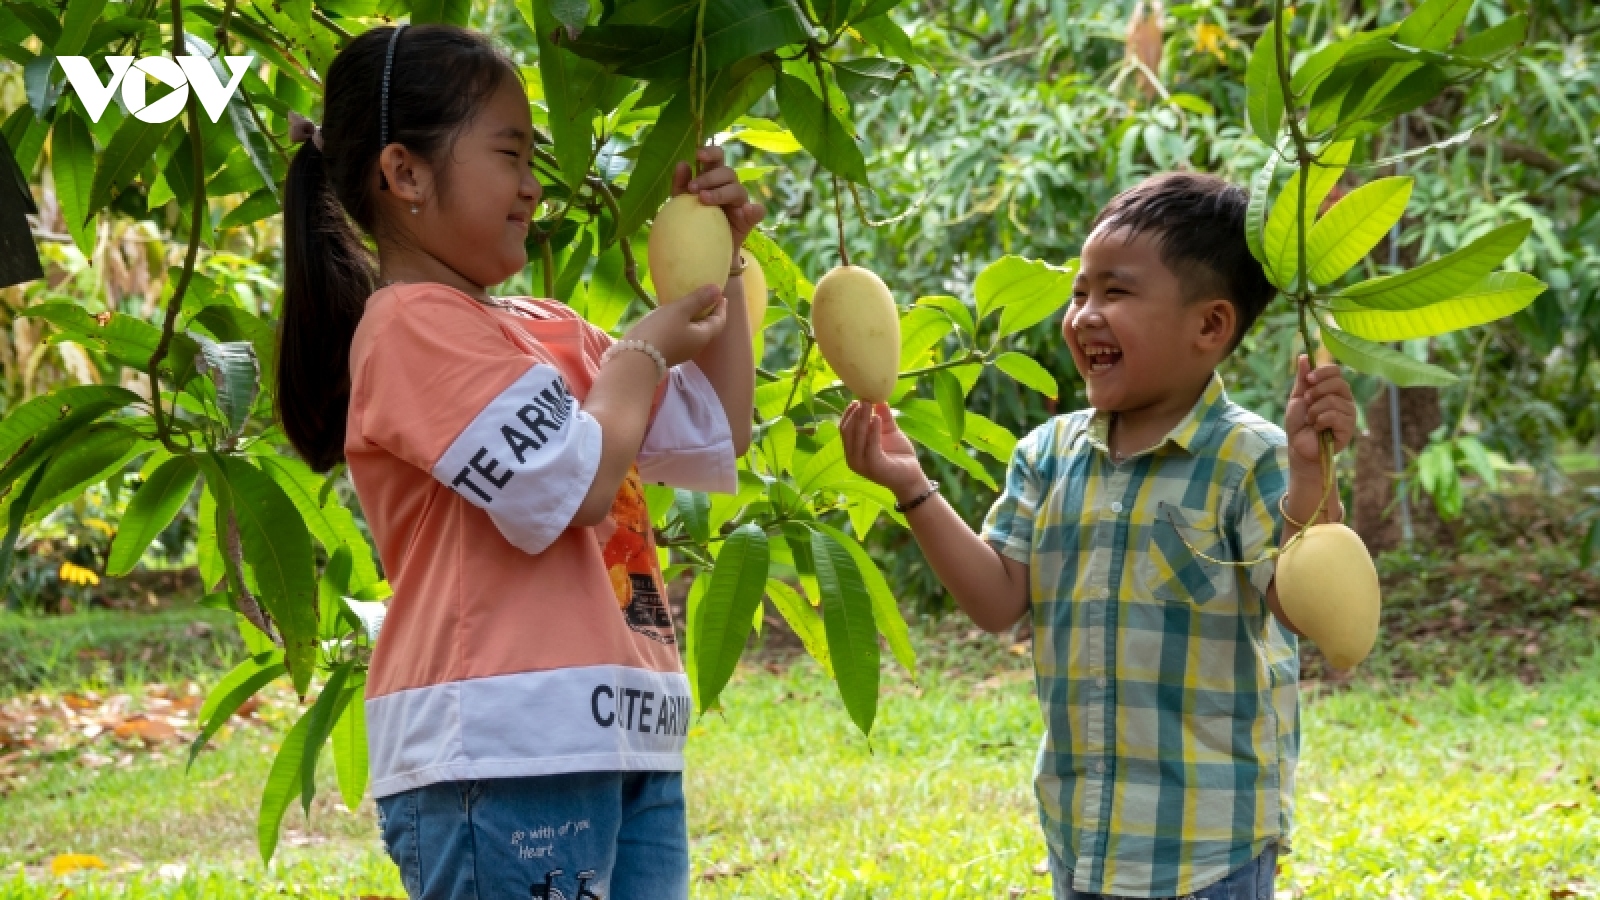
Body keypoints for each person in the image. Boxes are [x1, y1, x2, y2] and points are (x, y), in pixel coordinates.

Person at [273, 24, 762, 900]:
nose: (535, 187)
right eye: (509, 154)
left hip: (623, 737)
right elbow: (572, 484)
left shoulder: (551, 328)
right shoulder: (408, 325)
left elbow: (720, 428)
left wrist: (722, 269)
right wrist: (642, 352)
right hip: (502, 750)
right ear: (406, 173)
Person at [841, 172, 1359, 900]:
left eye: (1116, 293)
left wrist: (1312, 475)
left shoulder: (1253, 458)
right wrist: (909, 485)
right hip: (1082, 835)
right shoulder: (1048, 455)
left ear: (1209, 326)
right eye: (1080, 292)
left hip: (1206, 846)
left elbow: (1301, 606)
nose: (1084, 315)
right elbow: (997, 600)